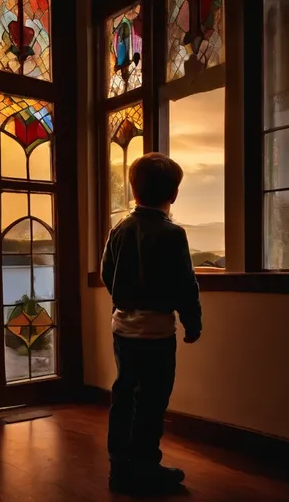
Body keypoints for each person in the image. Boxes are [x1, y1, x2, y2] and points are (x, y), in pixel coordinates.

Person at [101, 152, 202, 494]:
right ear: (172, 194)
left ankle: (119, 469)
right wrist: (193, 322)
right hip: (157, 333)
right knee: (152, 401)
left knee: (124, 396)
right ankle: (146, 467)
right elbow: (186, 284)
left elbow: (105, 272)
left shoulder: (119, 228)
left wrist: (122, 298)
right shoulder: (173, 235)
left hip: (122, 330)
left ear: (134, 189)